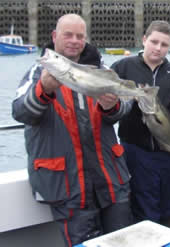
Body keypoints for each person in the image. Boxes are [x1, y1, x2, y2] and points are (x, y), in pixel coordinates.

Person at [12, 14, 133, 247]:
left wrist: (113, 106)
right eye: (68, 35)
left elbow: (123, 107)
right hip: (68, 188)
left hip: (110, 181)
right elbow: (20, 112)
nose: (74, 41)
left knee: (123, 243)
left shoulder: (102, 70)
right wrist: (43, 90)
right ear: (55, 37)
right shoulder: (37, 73)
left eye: (80, 36)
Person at [111, 20, 170, 228]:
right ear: (144, 40)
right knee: (143, 210)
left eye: (164, 45)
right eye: (154, 42)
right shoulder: (123, 66)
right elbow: (107, 102)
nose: (158, 48)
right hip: (136, 151)